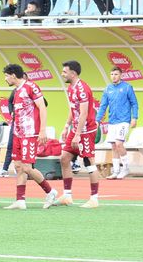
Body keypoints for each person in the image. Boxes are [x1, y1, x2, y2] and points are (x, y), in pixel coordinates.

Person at [1, 63, 57, 210]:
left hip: (29, 133)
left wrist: (43, 130)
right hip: (17, 134)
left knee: (26, 167)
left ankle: (50, 191)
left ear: (13, 75)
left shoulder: (31, 87)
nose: (5, 79)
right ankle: (20, 200)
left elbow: (42, 107)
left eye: (6, 76)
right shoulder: (16, 91)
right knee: (18, 166)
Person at [54, 61, 100, 208]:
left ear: (73, 73)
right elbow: (73, 109)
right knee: (64, 158)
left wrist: (78, 134)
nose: (62, 74)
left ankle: (94, 198)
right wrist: (66, 127)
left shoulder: (82, 89)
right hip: (76, 129)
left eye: (64, 72)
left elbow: (84, 113)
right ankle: (67, 195)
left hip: (86, 131)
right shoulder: (70, 88)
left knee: (89, 162)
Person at [96, 66, 139, 180]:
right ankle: (116, 171)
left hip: (124, 120)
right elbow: (103, 105)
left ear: (120, 75)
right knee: (114, 146)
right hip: (112, 121)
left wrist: (134, 117)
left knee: (119, 143)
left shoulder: (127, 87)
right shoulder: (108, 89)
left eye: (116, 74)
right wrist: (97, 120)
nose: (113, 76)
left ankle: (125, 168)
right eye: (112, 74)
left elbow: (134, 103)